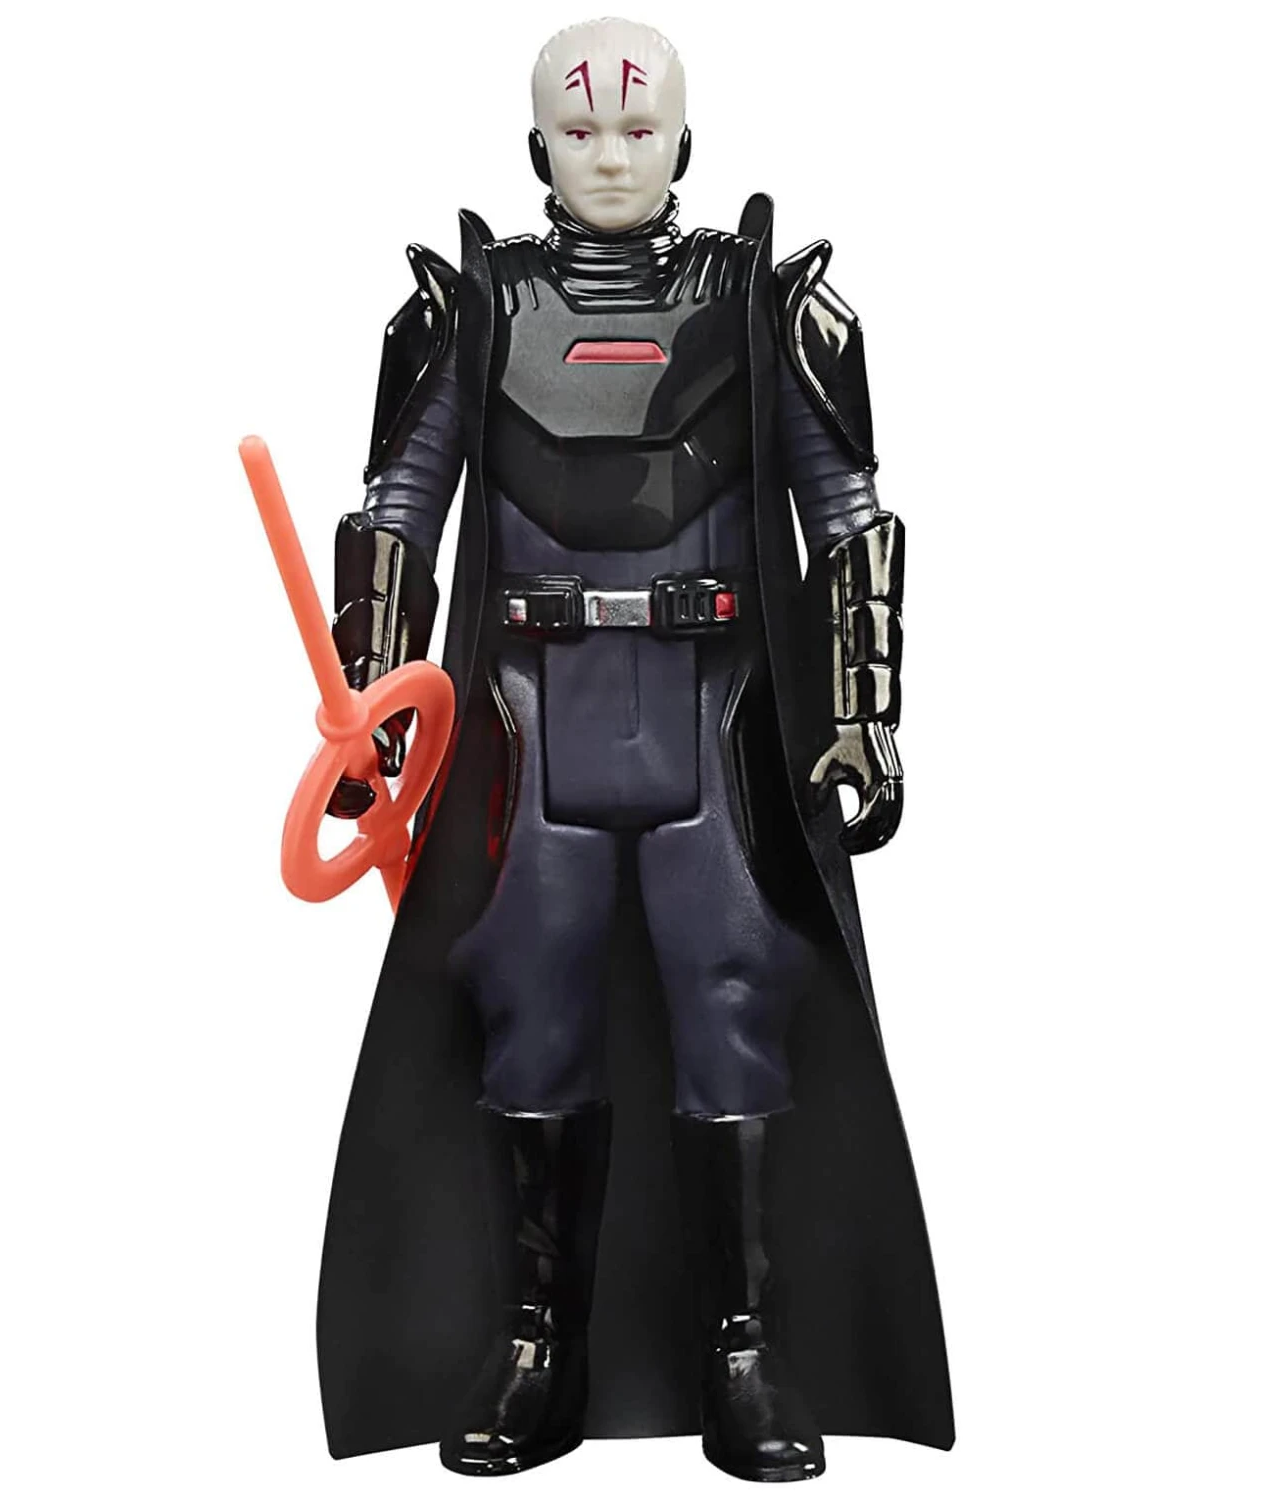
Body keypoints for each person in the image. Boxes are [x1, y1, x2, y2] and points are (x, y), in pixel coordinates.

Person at [316, 16, 952, 1482]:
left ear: (685, 141)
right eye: (582, 128)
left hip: (712, 719)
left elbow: (848, 517)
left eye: (638, 127)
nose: (610, 153)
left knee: (732, 1000)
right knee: (530, 1008)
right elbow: (399, 511)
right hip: (525, 723)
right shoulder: (473, 311)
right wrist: (371, 708)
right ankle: (538, 1347)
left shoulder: (763, 308)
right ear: (537, 144)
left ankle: (745, 1353)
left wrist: (863, 711)